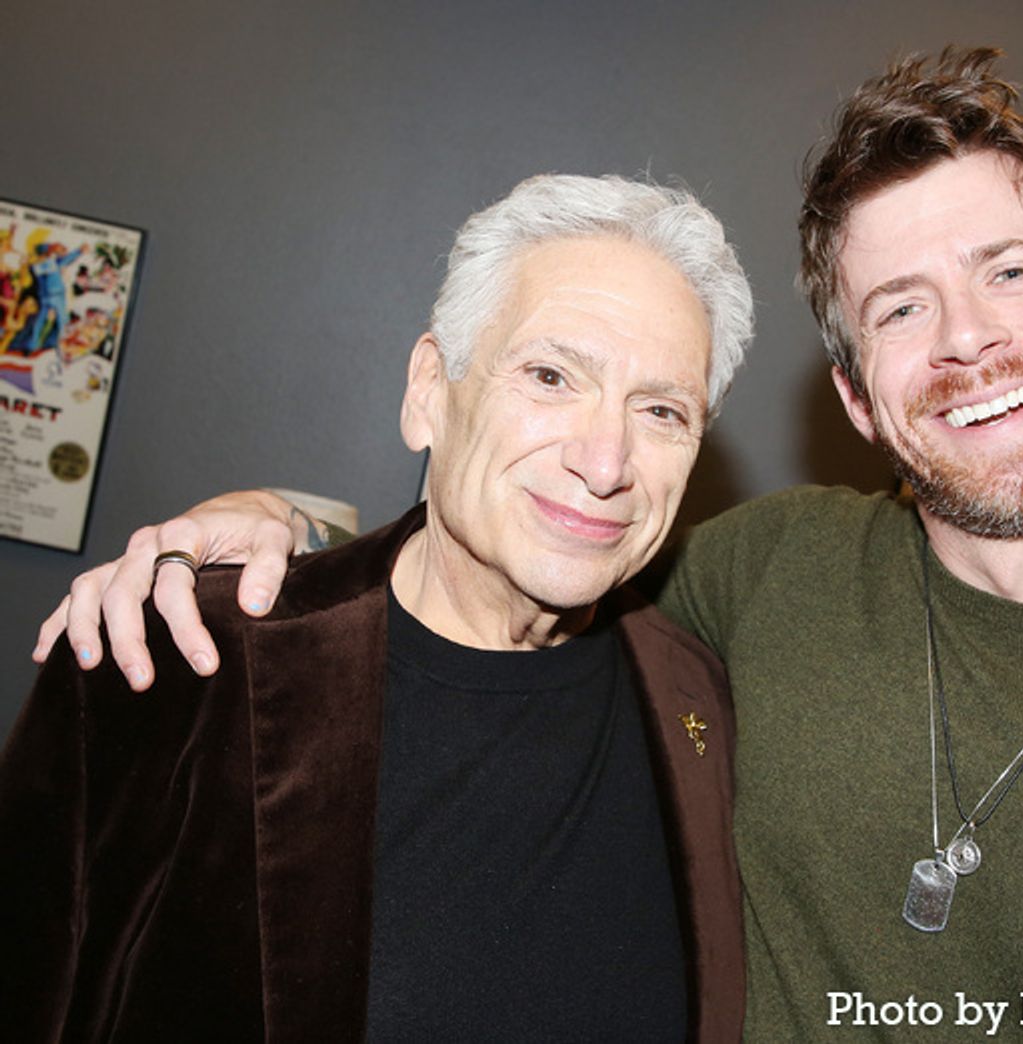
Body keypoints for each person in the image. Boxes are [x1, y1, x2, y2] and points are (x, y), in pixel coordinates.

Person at [28, 48, 1023, 1040]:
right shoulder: (777, 578)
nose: (969, 340)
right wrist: (267, 528)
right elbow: (509, 536)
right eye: (902, 307)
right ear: (856, 397)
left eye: (1013, 271)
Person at [2, 174, 755, 1041]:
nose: (605, 459)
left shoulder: (703, 699)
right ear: (430, 390)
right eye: (550, 376)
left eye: (661, 410)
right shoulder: (173, 654)